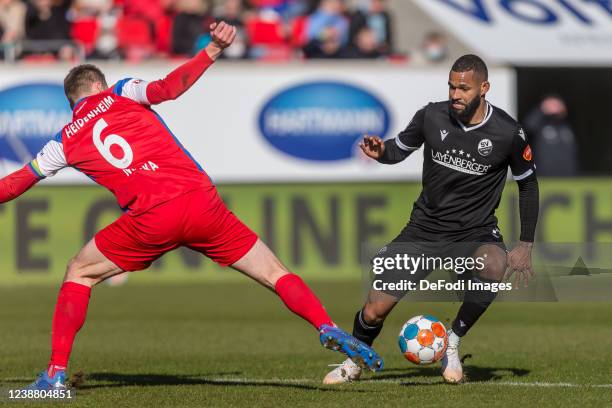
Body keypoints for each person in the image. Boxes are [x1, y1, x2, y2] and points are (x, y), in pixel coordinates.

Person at [0, 21, 382, 391]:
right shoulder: (122, 90)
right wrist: (214, 48)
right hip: (203, 203)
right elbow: (169, 88)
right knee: (273, 271)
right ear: (98, 85)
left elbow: (17, 183)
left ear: (73, 102)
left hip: (150, 218)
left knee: (79, 272)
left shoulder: (63, 141)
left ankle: (54, 375)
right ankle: (325, 325)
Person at [323, 54, 539, 384]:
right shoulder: (432, 115)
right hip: (424, 229)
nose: (455, 94)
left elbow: (528, 184)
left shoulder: (508, 131)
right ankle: (354, 360)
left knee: (494, 264)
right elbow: (398, 149)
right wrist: (381, 152)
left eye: (463, 88)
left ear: (484, 88)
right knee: (374, 309)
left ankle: (451, 343)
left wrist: (525, 243)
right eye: (451, 86)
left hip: (475, 231)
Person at [523, 94, 578, 177]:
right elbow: (527, 127)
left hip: (568, 176)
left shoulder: (567, 127)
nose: (555, 107)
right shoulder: (539, 125)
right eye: (552, 104)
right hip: (545, 176)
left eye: (557, 104)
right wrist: (542, 110)